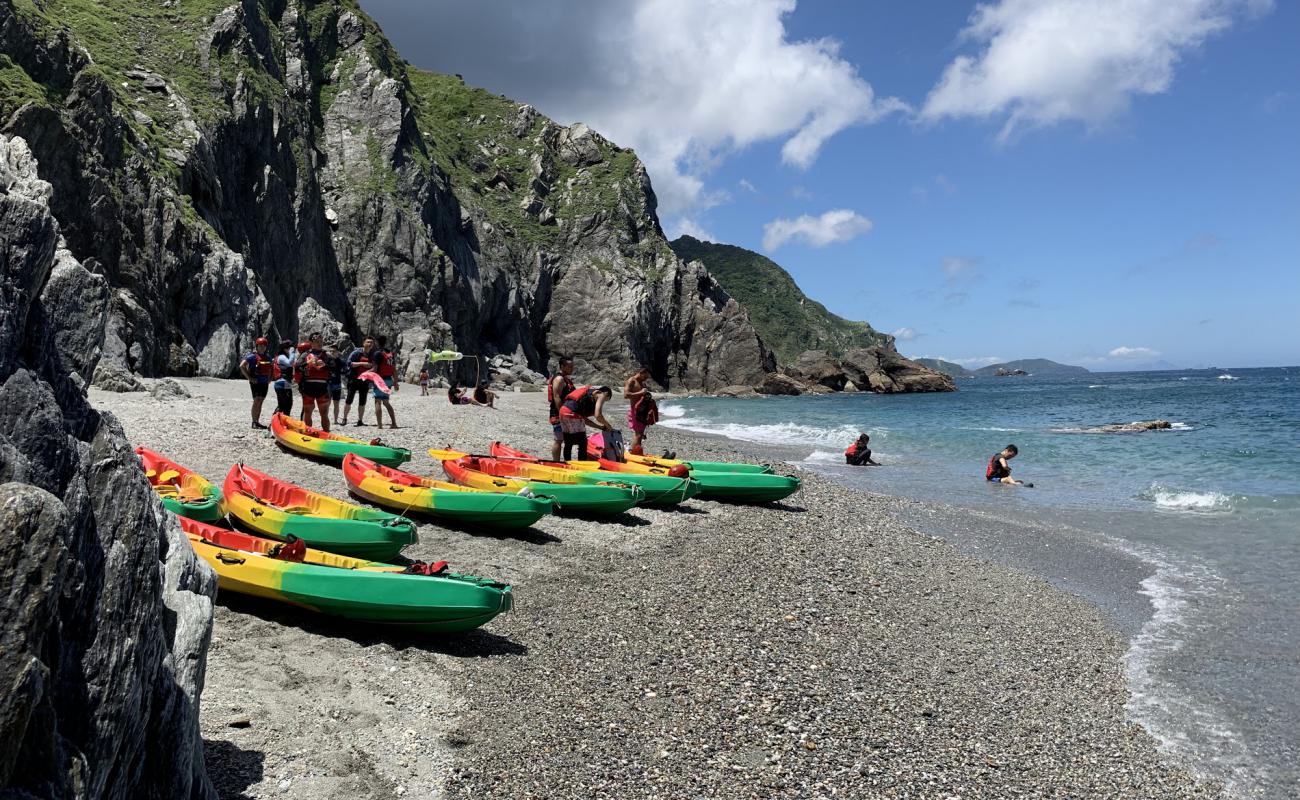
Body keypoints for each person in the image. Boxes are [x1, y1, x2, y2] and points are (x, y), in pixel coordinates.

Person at [558, 384, 614, 462]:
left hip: (563, 411)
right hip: (572, 414)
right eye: (605, 400)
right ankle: (582, 463)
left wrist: (600, 427)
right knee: (583, 442)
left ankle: (567, 462)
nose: (603, 402)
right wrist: (608, 425)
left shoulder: (587, 396)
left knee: (568, 441)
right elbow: (598, 415)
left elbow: (585, 420)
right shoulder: (602, 394)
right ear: (607, 394)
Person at [297, 332, 332, 430]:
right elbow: (297, 367)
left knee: (324, 413)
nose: (320, 343)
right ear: (311, 343)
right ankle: (308, 432)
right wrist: (307, 363)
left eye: (321, 341)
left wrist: (325, 365)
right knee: (307, 411)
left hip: (322, 386)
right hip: (308, 386)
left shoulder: (327, 356)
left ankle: (326, 432)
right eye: (317, 341)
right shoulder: (305, 355)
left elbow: (335, 368)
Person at [239, 337, 274, 429]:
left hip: (264, 382)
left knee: (261, 401)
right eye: (260, 346)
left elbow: (271, 368)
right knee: (257, 400)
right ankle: (254, 422)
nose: (262, 348)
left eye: (263, 346)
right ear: (257, 346)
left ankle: (257, 421)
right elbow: (242, 366)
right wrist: (249, 378)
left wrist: (270, 379)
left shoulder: (268, 357)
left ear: (266, 347)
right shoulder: (252, 357)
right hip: (256, 382)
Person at [622, 366, 658, 455]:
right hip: (635, 411)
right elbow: (626, 395)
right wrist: (641, 392)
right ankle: (632, 453)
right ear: (641, 372)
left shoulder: (642, 383)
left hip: (642, 412)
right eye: (645, 376)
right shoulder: (631, 381)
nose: (646, 379)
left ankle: (637, 451)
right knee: (638, 434)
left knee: (640, 435)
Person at [548, 357, 576, 460]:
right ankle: (556, 462)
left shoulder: (566, 378)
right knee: (558, 439)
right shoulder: (559, 379)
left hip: (566, 412)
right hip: (559, 413)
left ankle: (566, 460)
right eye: (569, 367)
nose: (572, 369)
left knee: (566, 439)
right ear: (562, 366)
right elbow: (556, 397)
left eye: (572, 366)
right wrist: (562, 413)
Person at [342, 337, 375, 426]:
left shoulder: (372, 354)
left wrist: (371, 368)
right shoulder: (356, 352)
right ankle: (344, 419)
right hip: (354, 379)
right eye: (368, 342)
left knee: (362, 401)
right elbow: (349, 363)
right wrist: (363, 364)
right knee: (349, 400)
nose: (370, 344)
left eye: (371, 343)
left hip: (365, 381)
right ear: (363, 343)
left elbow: (374, 366)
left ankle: (360, 420)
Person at [272, 340, 295, 418]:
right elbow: (290, 363)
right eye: (289, 348)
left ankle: (276, 421)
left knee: (282, 404)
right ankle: (282, 421)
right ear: (285, 349)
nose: (290, 349)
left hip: (280, 383)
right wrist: (292, 352)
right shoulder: (282, 357)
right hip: (283, 383)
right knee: (287, 405)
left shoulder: (279, 357)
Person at [326, 344, 345, 424]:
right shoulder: (327, 360)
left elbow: (344, 371)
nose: (332, 353)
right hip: (328, 384)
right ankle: (325, 419)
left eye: (334, 351)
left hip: (337, 383)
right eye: (331, 351)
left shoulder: (340, 361)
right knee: (327, 402)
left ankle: (335, 420)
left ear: (338, 352)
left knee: (336, 403)